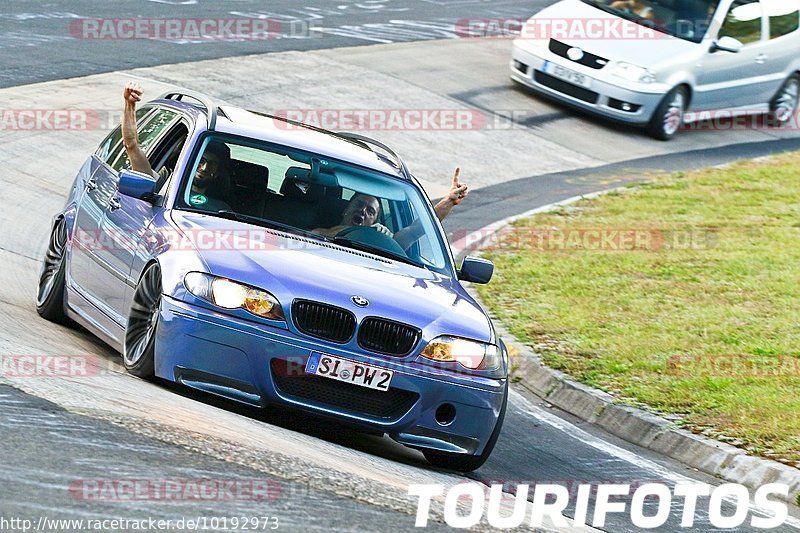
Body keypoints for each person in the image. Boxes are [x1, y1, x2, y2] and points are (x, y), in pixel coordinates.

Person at [121, 82, 230, 210]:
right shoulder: (164, 185)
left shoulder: (222, 209)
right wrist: (130, 104)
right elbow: (131, 144)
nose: (205, 168)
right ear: (190, 159)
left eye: (212, 164)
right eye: (201, 160)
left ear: (217, 172)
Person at [312, 168, 469, 249]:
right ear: (345, 209)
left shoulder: (386, 242)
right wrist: (349, 231)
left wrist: (449, 201)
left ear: (376, 220)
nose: (363, 211)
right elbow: (314, 235)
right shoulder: (324, 233)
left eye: (371, 211)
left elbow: (418, 229)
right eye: (359, 205)